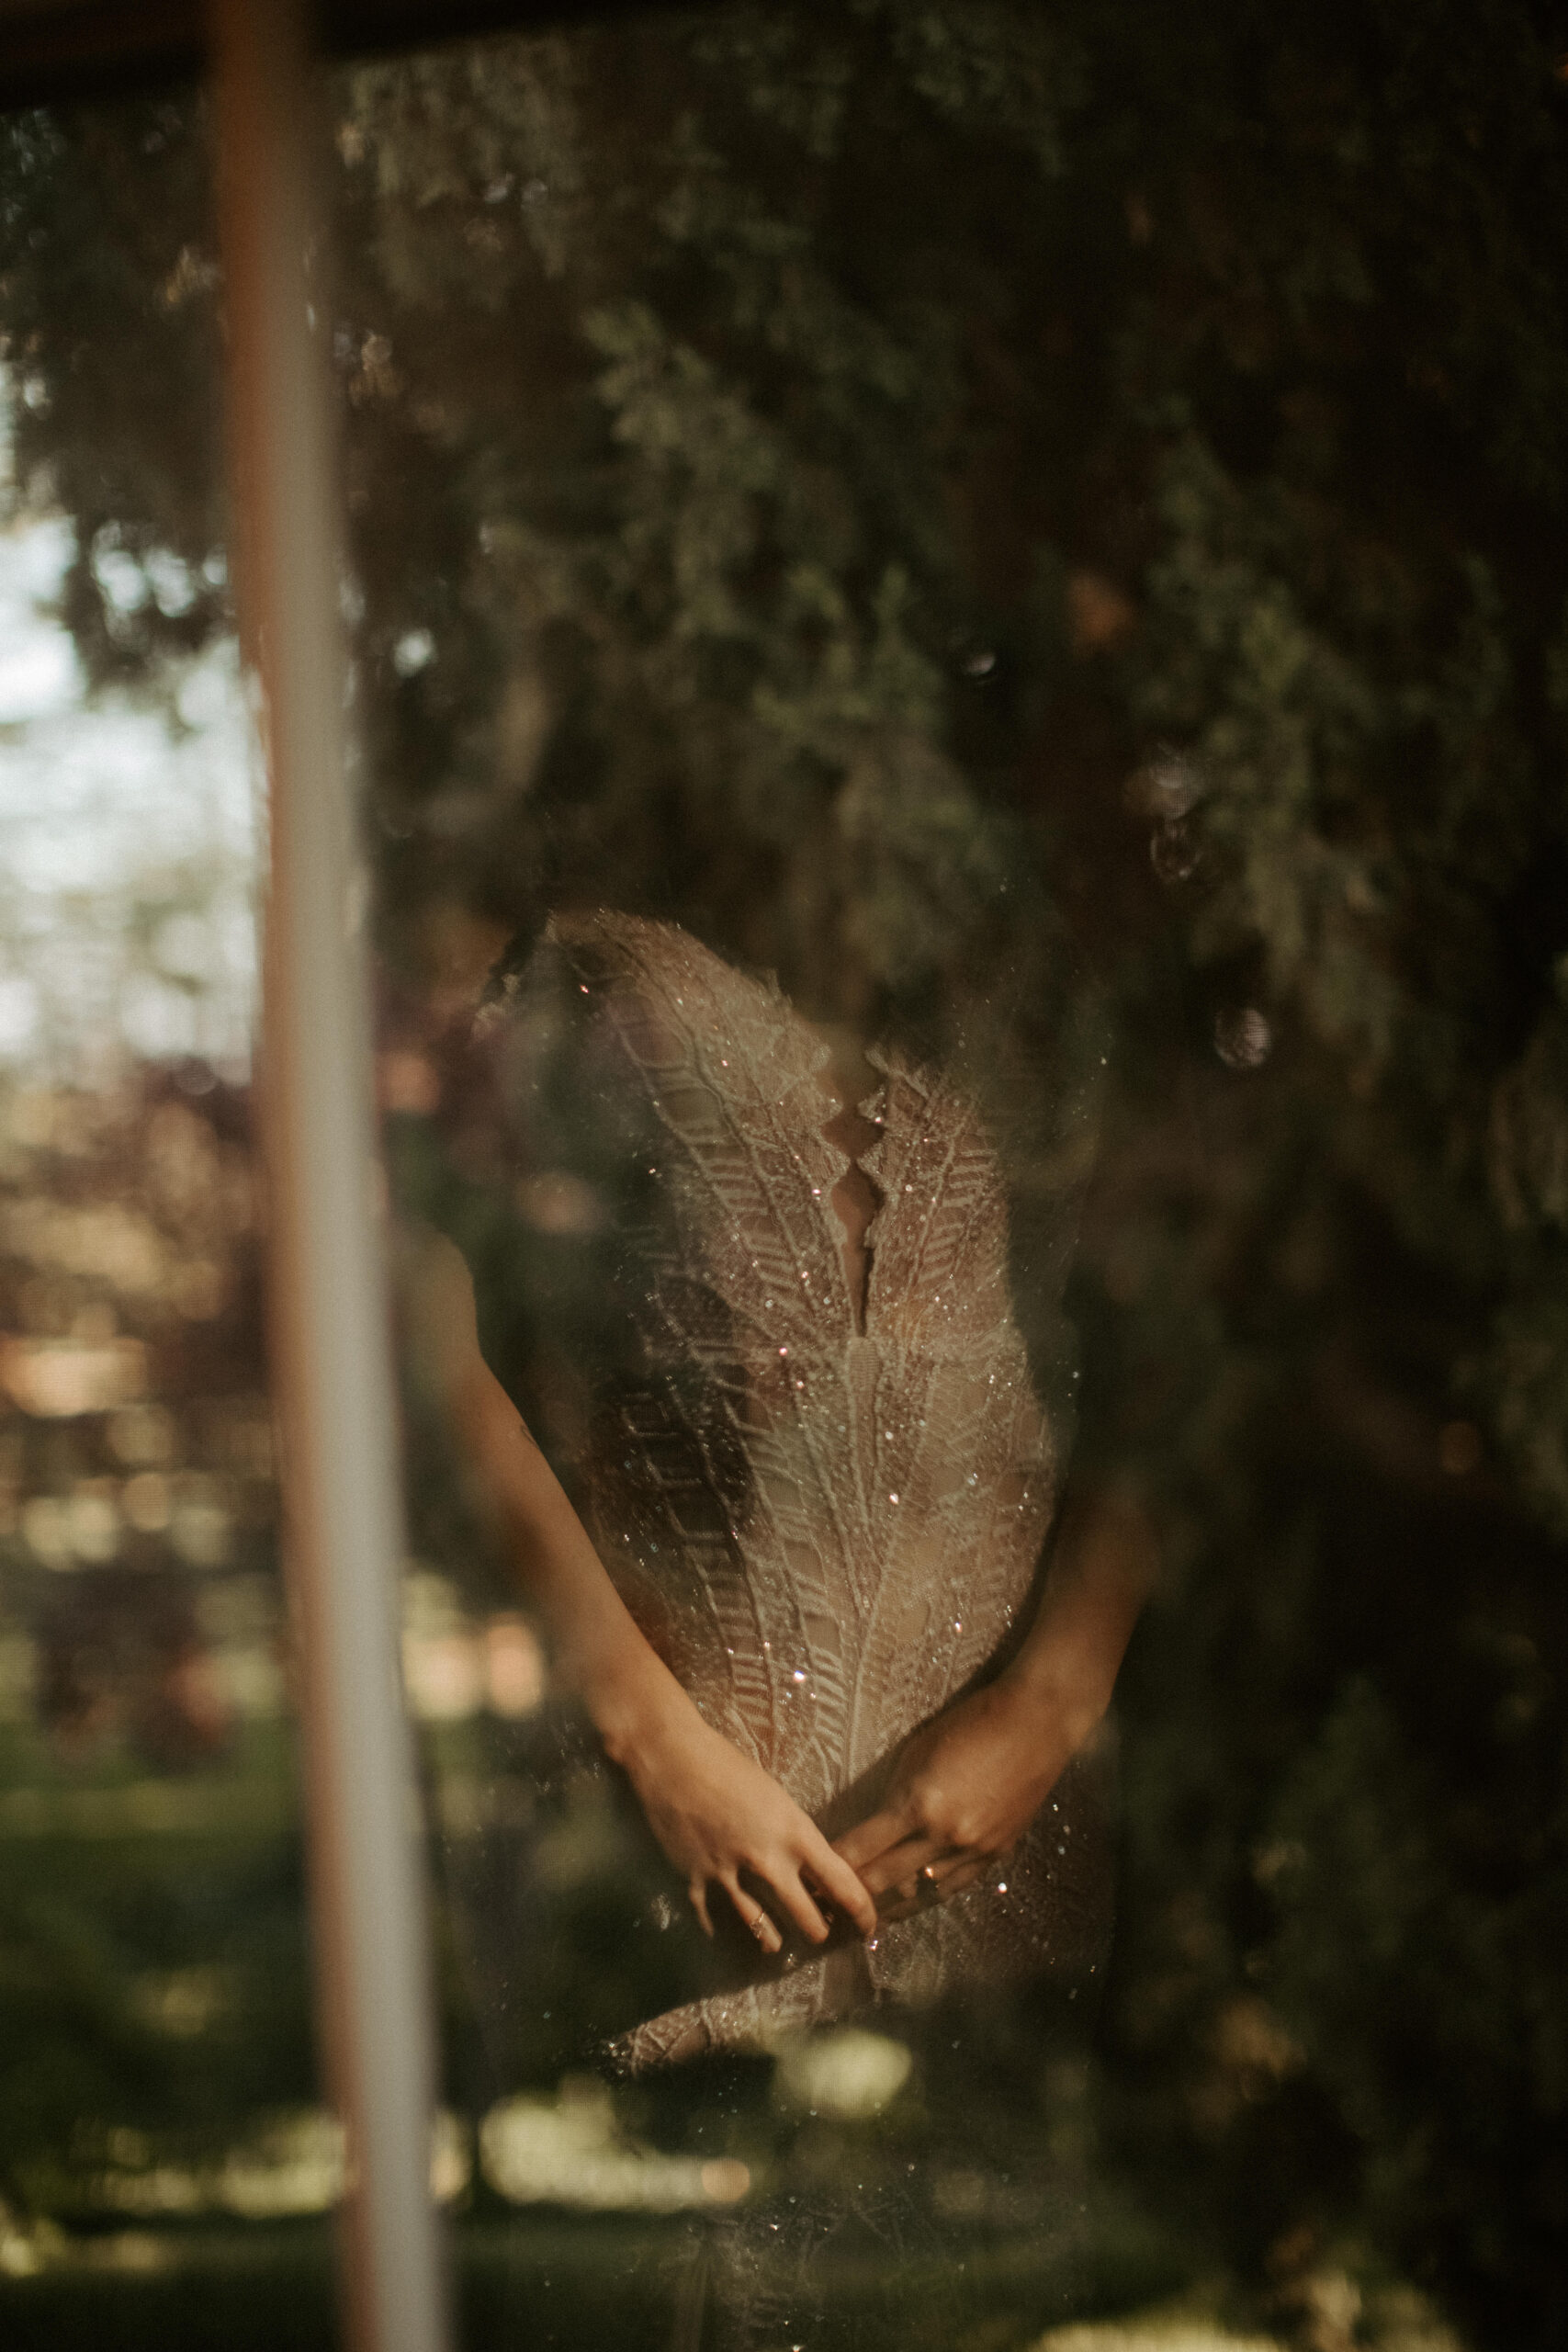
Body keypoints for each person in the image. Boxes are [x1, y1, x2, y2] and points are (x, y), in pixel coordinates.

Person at [409, 906, 1153, 2068]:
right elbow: (419, 1300)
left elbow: (1164, 1343)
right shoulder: (574, 964)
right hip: (681, 1906)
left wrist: (1061, 1694)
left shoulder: (1040, 944)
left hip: (1014, 1879)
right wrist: (648, 1739)